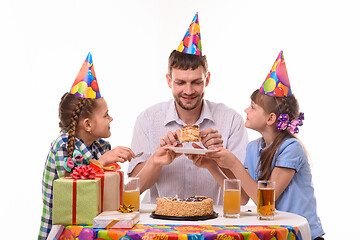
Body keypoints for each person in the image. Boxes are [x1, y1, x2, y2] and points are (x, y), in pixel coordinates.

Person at [199, 51, 324, 239]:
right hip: (276, 233)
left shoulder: (291, 148)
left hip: (299, 234)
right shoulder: (252, 148)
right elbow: (241, 198)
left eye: (253, 107)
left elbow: (265, 203)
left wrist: (234, 164)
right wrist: (211, 165)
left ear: (270, 118)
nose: (246, 110)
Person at [128, 13, 248, 205]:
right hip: (160, 223)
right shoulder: (148, 119)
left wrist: (217, 156)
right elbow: (133, 190)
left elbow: (242, 198)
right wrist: (157, 160)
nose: (189, 91)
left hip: (211, 224)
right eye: (180, 82)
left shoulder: (231, 120)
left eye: (196, 82)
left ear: (207, 79)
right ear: (169, 81)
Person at [38, 53, 135, 240]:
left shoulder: (101, 146)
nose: (111, 119)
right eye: (106, 115)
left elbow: (105, 199)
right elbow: (77, 194)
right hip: (62, 234)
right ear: (88, 125)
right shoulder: (63, 145)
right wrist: (103, 162)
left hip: (93, 233)